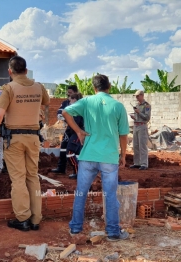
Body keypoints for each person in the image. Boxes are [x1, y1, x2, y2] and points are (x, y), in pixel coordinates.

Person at [62, 74, 129, 241]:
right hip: (109, 156)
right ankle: (113, 232)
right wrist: (123, 155)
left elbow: (65, 112)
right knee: (110, 195)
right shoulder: (118, 106)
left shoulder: (87, 101)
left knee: (81, 192)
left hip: (88, 155)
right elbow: (123, 135)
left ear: (94, 88)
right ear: (110, 87)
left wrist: (78, 131)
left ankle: (75, 228)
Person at [0, 55, 50, 231]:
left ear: (10, 72)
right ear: (25, 70)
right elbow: (46, 102)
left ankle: (22, 218)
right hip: (33, 137)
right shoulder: (39, 87)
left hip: (14, 138)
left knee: (18, 178)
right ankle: (36, 219)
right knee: (32, 176)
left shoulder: (7, 88)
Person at [51, 85, 78, 174]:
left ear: (75, 92)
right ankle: (61, 168)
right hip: (69, 129)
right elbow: (59, 114)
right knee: (63, 147)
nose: (68, 94)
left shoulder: (80, 103)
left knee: (75, 150)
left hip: (78, 130)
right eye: (68, 92)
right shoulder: (65, 103)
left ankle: (77, 171)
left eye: (70, 93)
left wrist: (66, 116)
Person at [129, 90, 151, 170]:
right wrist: (134, 116)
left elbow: (147, 118)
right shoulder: (137, 105)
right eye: (136, 96)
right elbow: (137, 116)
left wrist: (138, 113)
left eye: (138, 96)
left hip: (142, 126)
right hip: (136, 125)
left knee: (142, 146)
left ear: (142, 95)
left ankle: (144, 164)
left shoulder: (147, 105)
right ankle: (137, 163)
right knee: (136, 145)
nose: (136, 97)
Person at [66, 93, 84, 180]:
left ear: (75, 100)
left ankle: (78, 173)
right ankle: (79, 172)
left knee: (70, 153)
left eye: (71, 100)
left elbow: (75, 124)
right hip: (78, 133)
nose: (70, 102)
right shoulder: (80, 109)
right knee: (77, 154)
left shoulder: (77, 110)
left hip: (77, 134)